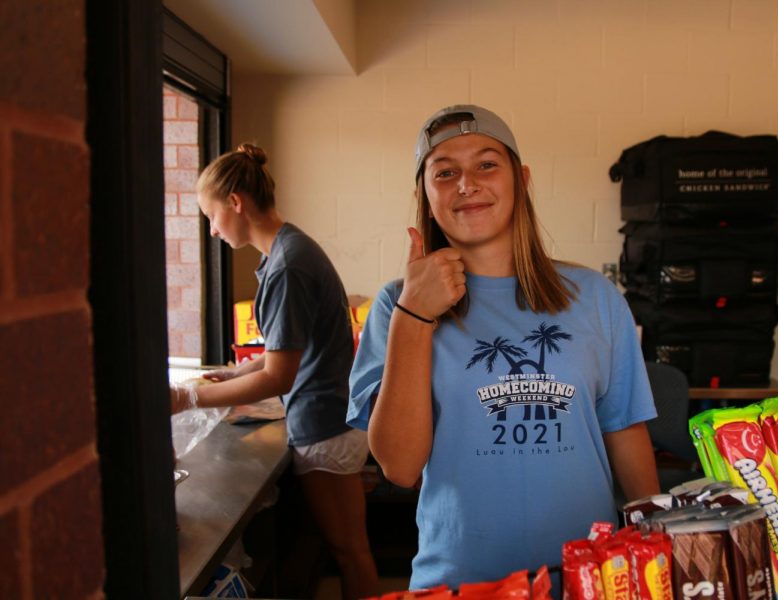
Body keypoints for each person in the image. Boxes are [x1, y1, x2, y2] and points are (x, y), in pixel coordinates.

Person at [347, 105, 660, 592]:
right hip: (459, 583)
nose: (467, 184)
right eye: (445, 172)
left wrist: (657, 548)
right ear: (425, 198)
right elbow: (399, 466)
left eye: (486, 164)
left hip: (591, 580)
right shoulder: (395, 305)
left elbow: (624, 430)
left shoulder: (596, 297)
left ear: (522, 179)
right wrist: (415, 317)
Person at [170, 143, 378, 600]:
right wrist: (241, 369)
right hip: (327, 417)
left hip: (326, 424)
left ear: (236, 203)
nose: (211, 230)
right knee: (346, 549)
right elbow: (291, 347)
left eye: (211, 216)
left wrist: (188, 399)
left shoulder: (288, 265)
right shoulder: (288, 249)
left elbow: (280, 378)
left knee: (350, 552)